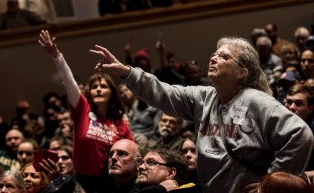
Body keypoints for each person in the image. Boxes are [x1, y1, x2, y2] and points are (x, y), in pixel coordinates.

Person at [90, 36, 314, 193]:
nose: (213, 58)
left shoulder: (257, 101)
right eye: (214, 54)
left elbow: (301, 136)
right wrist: (126, 72)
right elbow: (162, 93)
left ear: (241, 72)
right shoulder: (204, 97)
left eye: (224, 56)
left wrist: (270, 184)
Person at [38, 30, 133, 193]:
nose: (98, 89)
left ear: (112, 93)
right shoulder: (82, 110)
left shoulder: (120, 123)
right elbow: (68, 81)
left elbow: (132, 152)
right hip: (81, 183)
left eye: (103, 86)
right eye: (94, 87)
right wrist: (57, 55)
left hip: (110, 184)